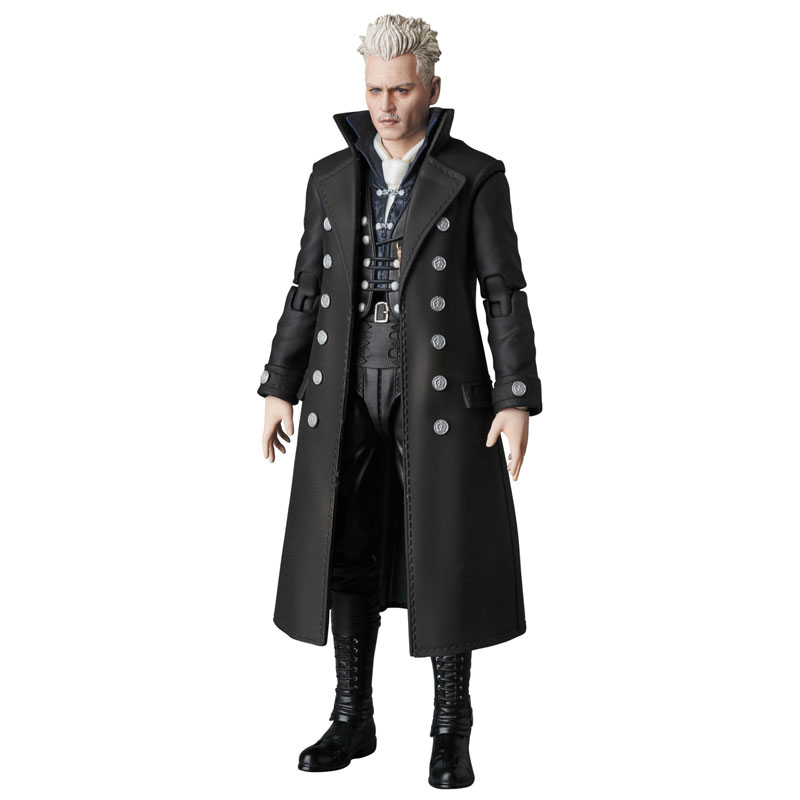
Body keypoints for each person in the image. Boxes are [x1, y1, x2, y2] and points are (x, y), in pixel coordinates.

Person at [257, 13, 543, 789]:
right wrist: (280, 383)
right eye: (376, 89)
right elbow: (306, 289)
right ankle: (353, 715)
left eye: (402, 89)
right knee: (345, 546)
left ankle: (452, 727)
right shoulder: (329, 177)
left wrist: (515, 395)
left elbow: (502, 292)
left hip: (437, 390)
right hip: (346, 380)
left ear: (432, 89)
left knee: (443, 551)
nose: (386, 105)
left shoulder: (475, 175)